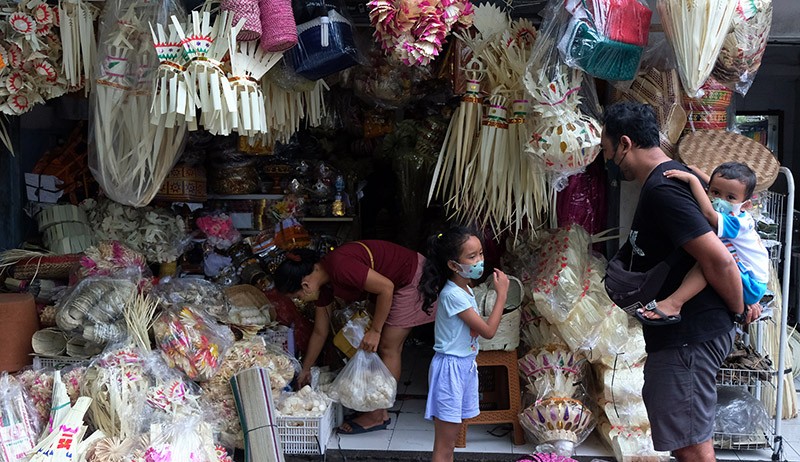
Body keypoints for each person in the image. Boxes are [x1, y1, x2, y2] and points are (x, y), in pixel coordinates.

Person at [601, 101, 761, 462]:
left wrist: (737, 311)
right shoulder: (670, 179)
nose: (609, 160)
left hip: (690, 335)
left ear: (625, 144)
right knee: (685, 441)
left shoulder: (664, 189)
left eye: (608, 151)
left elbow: (717, 258)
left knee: (692, 448)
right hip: (684, 336)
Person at [273, 240, 436, 434]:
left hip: (413, 279)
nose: (301, 299)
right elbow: (320, 331)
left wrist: (375, 331)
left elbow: (386, 288)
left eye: (297, 296)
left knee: (388, 347)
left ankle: (376, 415)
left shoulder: (339, 266)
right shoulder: (326, 285)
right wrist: (305, 369)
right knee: (378, 345)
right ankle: (378, 411)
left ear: (305, 284)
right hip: (396, 284)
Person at [418, 227, 509, 462]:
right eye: (471, 256)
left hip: (464, 367)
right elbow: (488, 331)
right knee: (445, 446)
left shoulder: (465, 288)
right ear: (453, 265)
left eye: (480, 253)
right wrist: (502, 296)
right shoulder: (453, 295)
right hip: (450, 371)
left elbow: (470, 329)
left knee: (452, 443)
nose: (479, 260)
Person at [639, 162, 769, 325]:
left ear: (746, 205)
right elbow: (719, 189)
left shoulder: (737, 222)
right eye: (715, 192)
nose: (720, 200)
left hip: (752, 283)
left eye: (730, 198)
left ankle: (674, 303)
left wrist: (693, 180)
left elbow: (709, 213)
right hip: (750, 277)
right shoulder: (732, 208)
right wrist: (698, 172)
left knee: (711, 261)